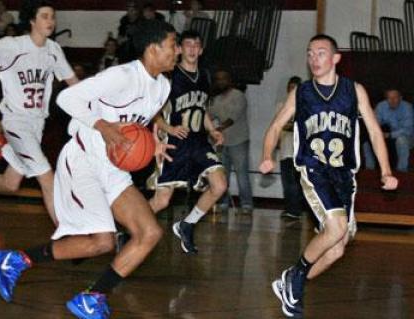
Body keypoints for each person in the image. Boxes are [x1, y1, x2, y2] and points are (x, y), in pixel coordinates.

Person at [0, 19, 179, 318]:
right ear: (153, 49)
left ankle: (92, 297)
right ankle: (17, 259)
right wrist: (102, 126)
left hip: (114, 167)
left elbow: (136, 125)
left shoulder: (163, 86)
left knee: (149, 232)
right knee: (102, 242)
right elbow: (67, 98)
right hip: (84, 160)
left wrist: (150, 144)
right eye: (173, 45)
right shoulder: (121, 76)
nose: (177, 51)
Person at [259, 34, 398, 318]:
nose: (314, 59)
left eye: (321, 53)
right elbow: (275, 127)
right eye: (310, 54)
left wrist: (385, 170)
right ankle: (295, 278)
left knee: (336, 248)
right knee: (335, 228)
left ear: (336, 58)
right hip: (314, 169)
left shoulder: (353, 90)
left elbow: (373, 130)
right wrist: (266, 156)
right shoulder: (301, 93)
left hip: (344, 175)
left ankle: (291, 279)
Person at [0, 0, 78, 222]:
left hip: (37, 125)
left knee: (10, 183)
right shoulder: (12, 45)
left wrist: (97, 102)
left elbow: (73, 82)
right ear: (31, 21)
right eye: (45, 16)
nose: (51, 21)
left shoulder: (54, 50)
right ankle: (66, 232)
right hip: (16, 123)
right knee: (47, 177)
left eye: (52, 17)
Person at [149, 30, 227, 254]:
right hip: (176, 142)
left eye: (197, 45)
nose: (192, 49)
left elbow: (201, 109)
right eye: (188, 44)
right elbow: (153, 112)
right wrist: (169, 129)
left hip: (199, 141)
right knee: (162, 201)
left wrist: (212, 130)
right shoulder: (170, 76)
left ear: (201, 50)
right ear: (179, 49)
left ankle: (187, 224)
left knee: (220, 184)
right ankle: (128, 228)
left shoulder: (205, 76)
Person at [209, 69, 253, 213]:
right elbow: (208, 116)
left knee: (241, 174)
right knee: (223, 175)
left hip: (238, 141)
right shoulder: (215, 99)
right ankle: (223, 203)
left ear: (229, 80)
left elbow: (231, 119)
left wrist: (216, 129)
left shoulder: (238, 95)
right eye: (218, 79)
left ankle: (246, 204)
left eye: (224, 79)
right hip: (222, 143)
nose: (221, 82)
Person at [363, 88, 413, 172]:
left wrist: (390, 135)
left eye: (395, 97)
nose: (392, 100)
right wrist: (378, 134)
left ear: (400, 98)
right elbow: (374, 123)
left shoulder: (408, 108)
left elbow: (408, 130)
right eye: (389, 98)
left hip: (407, 137)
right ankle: (369, 169)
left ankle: (402, 170)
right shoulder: (381, 106)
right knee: (367, 141)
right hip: (385, 136)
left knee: (401, 140)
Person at [277, 76, 305, 219]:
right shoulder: (282, 105)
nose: (291, 91)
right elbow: (278, 126)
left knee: (296, 182)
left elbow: (299, 126)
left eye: (294, 88)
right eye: (289, 88)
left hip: (299, 150)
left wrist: (288, 125)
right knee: (287, 182)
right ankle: (290, 208)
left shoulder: (304, 105)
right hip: (285, 149)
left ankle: (295, 210)